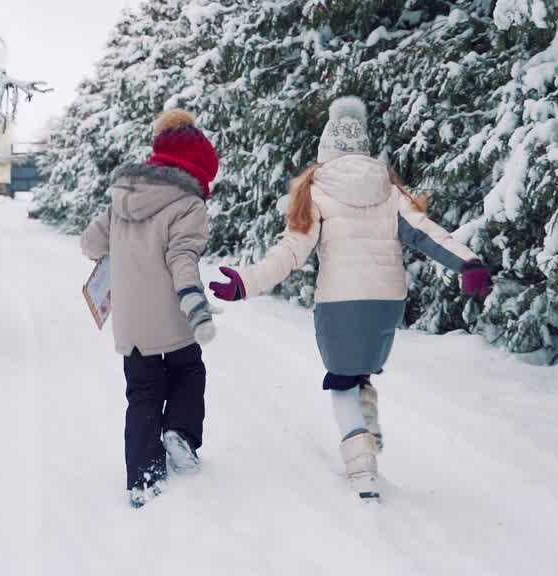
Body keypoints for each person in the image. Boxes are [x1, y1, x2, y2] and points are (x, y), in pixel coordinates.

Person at [209, 97, 491, 500]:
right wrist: (469, 264)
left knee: (340, 381)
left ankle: (363, 469)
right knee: (360, 370)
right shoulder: (389, 188)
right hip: (387, 302)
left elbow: (291, 252)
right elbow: (429, 233)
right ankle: (369, 428)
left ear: (326, 149)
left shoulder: (316, 188)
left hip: (340, 301)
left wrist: (246, 282)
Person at [81, 109, 220, 509]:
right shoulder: (188, 204)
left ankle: (142, 476)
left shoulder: (124, 194)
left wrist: (117, 245)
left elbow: (91, 243)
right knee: (189, 370)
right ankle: (179, 430)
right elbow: (183, 258)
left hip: (132, 323)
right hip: (172, 319)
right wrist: (196, 306)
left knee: (142, 392)